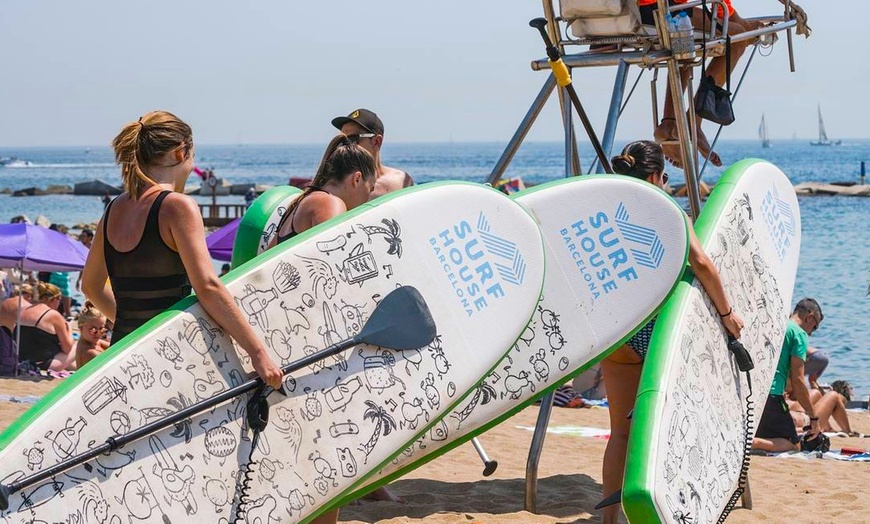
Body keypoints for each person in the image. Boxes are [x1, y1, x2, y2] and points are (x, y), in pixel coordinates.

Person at [82, 110, 282, 390]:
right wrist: (258, 352)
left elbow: (90, 286)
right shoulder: (177, 206)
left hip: (124, 353)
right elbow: (208, 287)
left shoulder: (114, 209)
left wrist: (134, 327)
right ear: (180, 153)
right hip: (171, 357)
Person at [599, 140, 744, 524]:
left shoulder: (605, 211)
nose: (666, 183)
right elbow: (702, 263)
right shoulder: (666, 212)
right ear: (653, 176)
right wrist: (727, 313)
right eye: (665, 176)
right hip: (655, 332)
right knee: (670, 430)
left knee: (620, 434)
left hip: (616, 331)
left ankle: (608, 520)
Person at [268, 133, 376, 524]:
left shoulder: (297, 202)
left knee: (303, 449)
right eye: (371, 186)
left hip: (284, 339)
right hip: (309, 345)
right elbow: (331, 278)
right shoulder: (330, 205)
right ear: (356, 179)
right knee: (326, 451)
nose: (370, 194)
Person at [639, 0, 764, 167]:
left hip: (628, 13)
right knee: (739, 37)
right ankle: (693, 122)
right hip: (658, 11)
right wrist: (741, 24)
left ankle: (669, 122)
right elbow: (722, 7)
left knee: (683, 47)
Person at [752, 298, 823, 452]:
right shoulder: (799, 334)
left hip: (755, 389)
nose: (811, 332)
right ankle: (752, 444)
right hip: (772, 394)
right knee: (793, 444)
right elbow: (797, 379)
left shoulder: (777, 323)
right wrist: (813, 416)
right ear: (809, 317)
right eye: (815, 327)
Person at [331, 108, 413, 199]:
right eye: (342, 140)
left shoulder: (402, 182)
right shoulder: (334, 186)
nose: (346, 146)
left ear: (376, 142)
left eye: (353, 139)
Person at [17, 282, 76, 371]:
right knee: (79, 345)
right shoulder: (53, 315)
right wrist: (69, 329)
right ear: (54, 299)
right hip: (44, 365)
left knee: (71, 364)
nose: (59, 303)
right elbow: (67, 348)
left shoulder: (23, 310)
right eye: (59, 299)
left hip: (21, 361)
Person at [787, 379, 856, 436]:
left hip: (796, 412)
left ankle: (828, 426)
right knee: (834, 395)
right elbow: (788, 431)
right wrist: (805, 429)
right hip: (805, 422)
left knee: (816, 393)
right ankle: (848, 431)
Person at [75, 301, 110, 368]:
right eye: (93, 330)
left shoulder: (93, 342)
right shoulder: (90, 353)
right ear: (81, 328)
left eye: (101, 329)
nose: (98, 334)